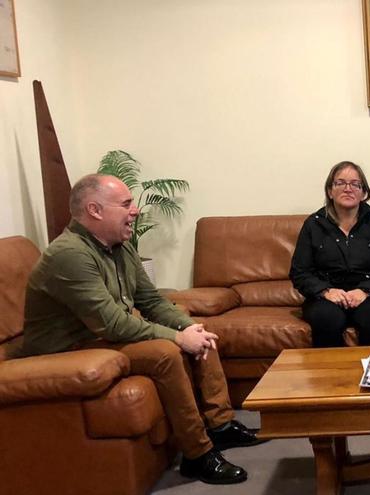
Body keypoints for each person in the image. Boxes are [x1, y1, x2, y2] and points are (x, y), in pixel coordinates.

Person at [20, 174, 264, 485]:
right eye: (125, 204)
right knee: (165, 352)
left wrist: (189, 329)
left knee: (197, 328)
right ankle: (197, 454)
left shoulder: (120, 246)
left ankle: (220, 425)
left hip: (98, 336)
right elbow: (111, 322)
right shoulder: (69, 254)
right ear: (94, 210)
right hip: (67, 349)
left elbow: (150, 300)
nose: (135, 210)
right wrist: (177, 337)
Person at [290, 161, 370, 348]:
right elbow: (299, 272)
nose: (348, 188)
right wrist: (326, 291)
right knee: (327, 319)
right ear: (330, 191)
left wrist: (366, 291)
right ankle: (330, 377)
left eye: (355, 184)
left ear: (363, 193)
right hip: (325, 296)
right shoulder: (313, 224)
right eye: (340, 183)